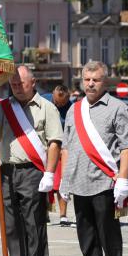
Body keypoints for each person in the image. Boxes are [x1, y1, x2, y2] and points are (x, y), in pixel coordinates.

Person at [60, 61, 128, 256]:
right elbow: (67, 147)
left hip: (105, 183)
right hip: (79, 183)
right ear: (82, 81)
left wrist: (123, 180)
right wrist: (64, 181)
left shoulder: (118, 108)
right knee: (86, 236)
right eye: (87, 79)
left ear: (104, 81)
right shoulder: (75, 110)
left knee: (109, 236)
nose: (91, 83)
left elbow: (127, 148)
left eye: (95, 79)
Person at [0, 65, 63, 256]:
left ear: (33, 82)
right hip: (7, 171)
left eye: (21, 83)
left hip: (32, 171)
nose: (17, 88)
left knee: (33, 224)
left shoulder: (46, 108)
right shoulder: (4, 107)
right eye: (13, 85)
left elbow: (54, 143)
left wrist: (49, 173)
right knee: (11, 226)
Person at [51, 84, 73, 227]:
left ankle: (63, 215)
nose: (57, 104)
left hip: (65, 151)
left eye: (60, 102)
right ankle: (43, 213)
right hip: (46, 149)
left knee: (61, 183)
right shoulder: (46, 102)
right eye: (55, 100)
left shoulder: (72, 109)